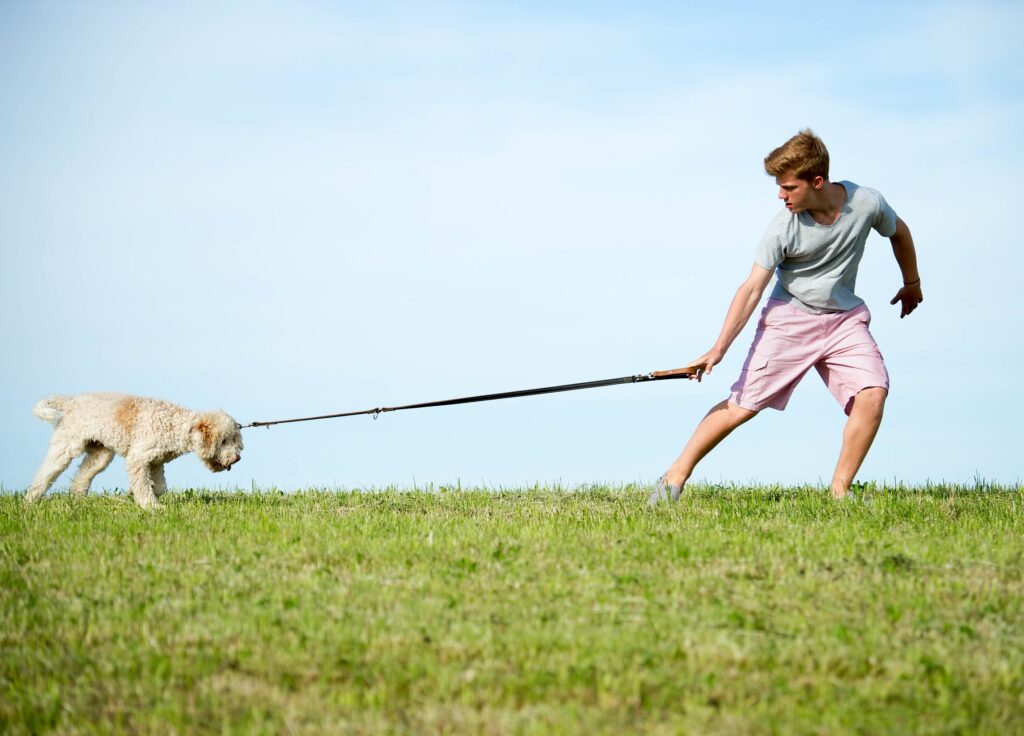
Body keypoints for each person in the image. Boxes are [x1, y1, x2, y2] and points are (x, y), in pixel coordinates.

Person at [650, 129, 922, 503]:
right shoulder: (783, 227)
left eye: (788, 187)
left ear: (817, 181)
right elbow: (751, 289)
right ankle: (673, 479)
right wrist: (718, 349)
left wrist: (912, 282)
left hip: (844, 321)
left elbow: (900, 233)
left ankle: (840, 492)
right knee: (741, 407)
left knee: (873, 394)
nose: (780, 195)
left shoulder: (866, 203)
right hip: (789, 321)